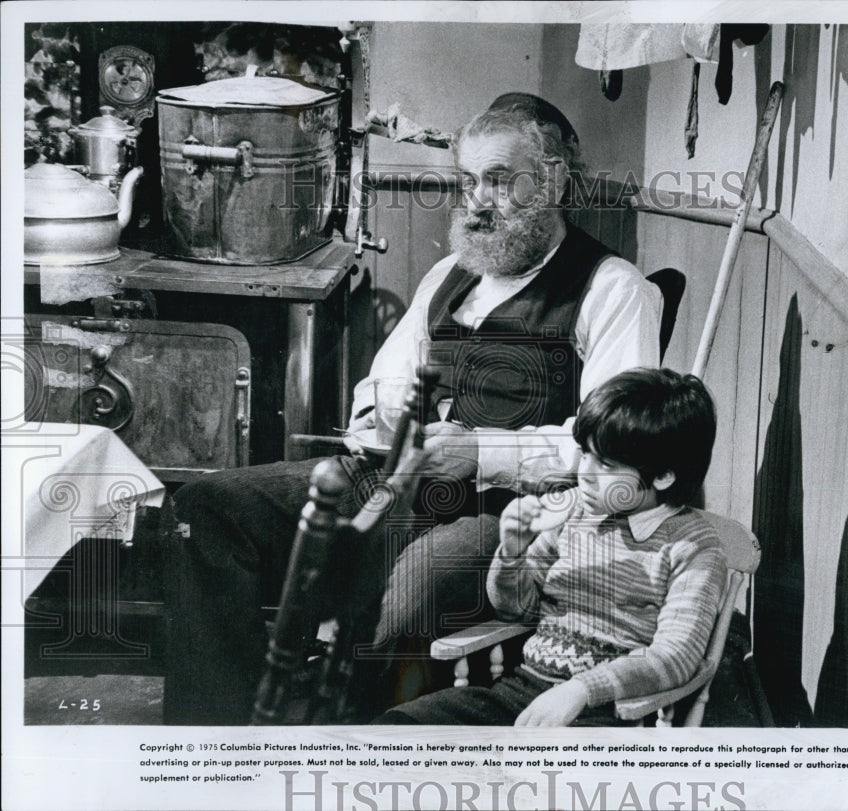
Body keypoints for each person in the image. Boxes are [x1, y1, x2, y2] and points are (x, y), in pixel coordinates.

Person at [162, 92, 662, 725]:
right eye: (469, 181)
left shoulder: (612, 288)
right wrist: (391, 419)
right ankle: (213, 743)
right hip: (392, 479)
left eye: (502, 181)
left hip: (510, 513)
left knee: (414, 587)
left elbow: (612, 447)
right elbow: (381, 384)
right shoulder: (452, 273)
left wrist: (478, 452)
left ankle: (364, 743)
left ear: (556, 180)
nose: (479, 199)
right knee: (209, 509)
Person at [374, 368, 727, 726]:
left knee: (528, 776)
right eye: (585, 454)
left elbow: (676, 656)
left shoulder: (692, 545)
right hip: (523, 692)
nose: (585, 472)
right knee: (397, 729)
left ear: (663, 475)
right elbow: (518, 611)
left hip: (612, 715)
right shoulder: (574, 511)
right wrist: (512, 552)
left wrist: (581, 690)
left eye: (605, 464)